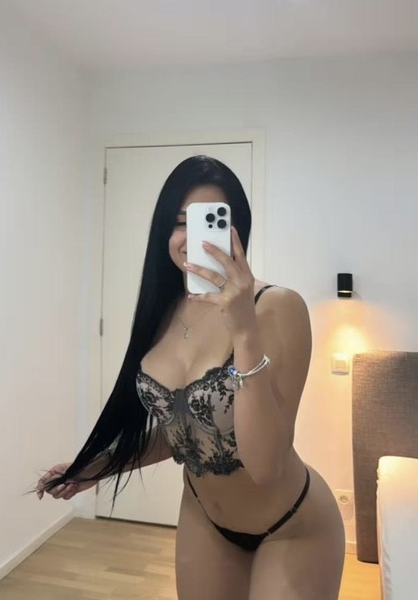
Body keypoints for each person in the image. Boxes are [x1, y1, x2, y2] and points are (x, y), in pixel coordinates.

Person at [37, 155, 345, 599]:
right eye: (181, 222)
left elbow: (266, 467)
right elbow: (183, 432)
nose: (193, 237)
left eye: (210, 222)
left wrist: (244, 331)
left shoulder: (278, 307)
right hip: (205, 518)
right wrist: (98, 467)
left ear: (237, 231)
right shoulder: (160, 314)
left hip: (292, 526)